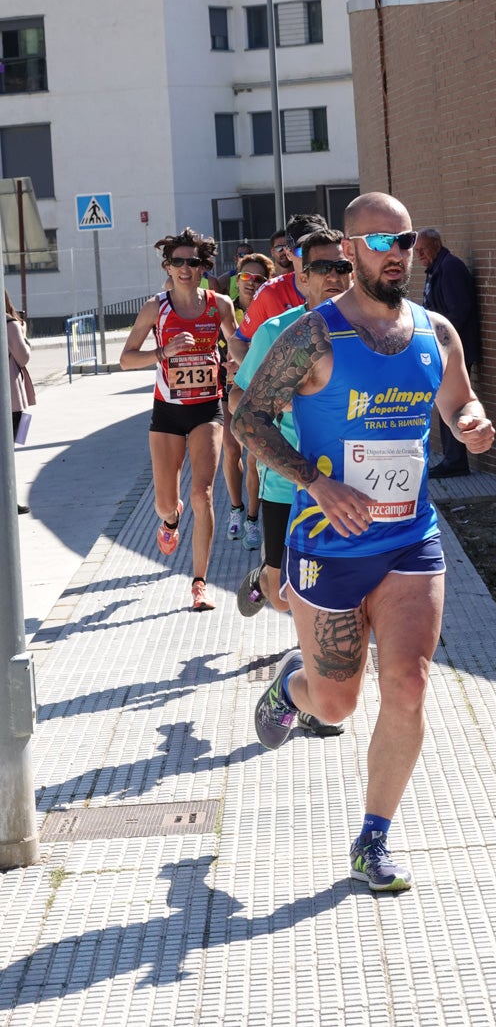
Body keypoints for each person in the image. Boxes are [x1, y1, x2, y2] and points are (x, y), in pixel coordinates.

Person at [231, 192, 496, 891]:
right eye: (378, 242)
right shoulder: (312, 337)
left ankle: (373, 839)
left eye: (404, 240)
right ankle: (294, 689)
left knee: (406, 686)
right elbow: (247, 418)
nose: (394, 253)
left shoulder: (434, 333)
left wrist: (471, 421)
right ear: (347, 251)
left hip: (409, 540)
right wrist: (316, 484)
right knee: (338, 703)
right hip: (328, 546)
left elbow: (459, 399)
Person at [231, 228, 354, 739]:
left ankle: (309, 697)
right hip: (288, 487)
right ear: (300, 276)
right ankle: (263, 581)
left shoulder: (359, 331)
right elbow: (242, 404)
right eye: (323, 268)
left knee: (327, 605)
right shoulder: (277, 332)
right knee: (284, 595)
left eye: (342, 267)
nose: (335, 277)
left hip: (346, 489)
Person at [120, 228, 236, 612]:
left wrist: (238, 365)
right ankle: (171, 522)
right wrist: (162, 351)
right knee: (165, 502)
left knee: (202, 494)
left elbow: (236, 349)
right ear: (167, 266)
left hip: (207, 410)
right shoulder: (156, 308)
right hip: (167, 412)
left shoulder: (219, 305)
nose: (186, 268)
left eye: (194, 262)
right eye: (178, 262)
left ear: (205, 266)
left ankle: (199, 584)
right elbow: (125, 358)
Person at [415, 227, 480, 478]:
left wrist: (440, 337)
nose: (418, 255)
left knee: (453, 404)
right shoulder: (436, 268)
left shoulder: (450, 268)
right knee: (444, 404)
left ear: (436, 245)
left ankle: (455, 461)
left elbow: (459, 310)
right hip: (441, 350)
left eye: (422, 249)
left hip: (453, 350)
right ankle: (453, 459)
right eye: (416, 250)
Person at [218, 253, 273, 547]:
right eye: (246, 278)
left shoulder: (271, 313)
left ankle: (253, 519)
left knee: (254, 460)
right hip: (228, 388)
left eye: (259, 279)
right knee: (230, 448)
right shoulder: (227, 311)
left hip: (257, 391)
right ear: (237, 281)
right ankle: (236, 510)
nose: (251, 284)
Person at [227, 213, 327, 368]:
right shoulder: (270, 292)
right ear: (288, 253)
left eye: (318, 249)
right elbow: (237, 341)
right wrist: (261, 380)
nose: (311, 257)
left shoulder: (345, 287)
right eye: (303, 251)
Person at [5, 290, 35, 515]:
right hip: (12, 400)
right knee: (9, 453)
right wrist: (23, 332)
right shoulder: (9, 323)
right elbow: (23, 356)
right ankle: (8, 501)